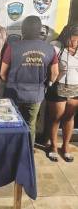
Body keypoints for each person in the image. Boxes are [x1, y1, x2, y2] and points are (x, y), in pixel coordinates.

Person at [1, 16, 59, 146]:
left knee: (11, 122)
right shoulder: (49, 49)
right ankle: (28, 151)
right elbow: (55, 73)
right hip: (35, 94)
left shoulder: (12, 47)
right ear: (39, 30)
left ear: (23, 30)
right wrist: (47, 84)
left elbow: (2, 73)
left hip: (13, 93)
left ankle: (11, 150)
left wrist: (9, 82)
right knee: (30, 124)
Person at [45, 24, 78, 162]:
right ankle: (53, 147)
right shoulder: (55, 46)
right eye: (72, 39)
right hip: (57, 87)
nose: (75, 42)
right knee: (56, 118)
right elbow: (48, 66)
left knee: (69, 118)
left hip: (75, 88)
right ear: (66, 36)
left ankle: (65, 147)